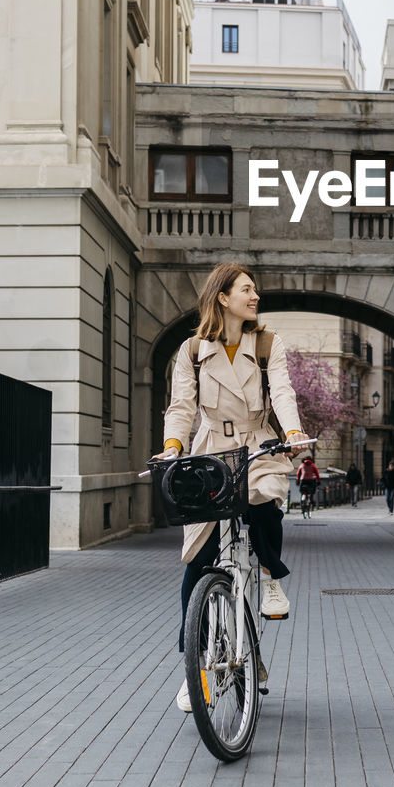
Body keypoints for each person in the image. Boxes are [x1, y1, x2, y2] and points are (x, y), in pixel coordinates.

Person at [157, 263, 306, 712]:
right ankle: (195, 669)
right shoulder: (192, 350)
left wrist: (295, 432)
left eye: (255, 289)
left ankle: (269, 575)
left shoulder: (266, 344)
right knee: (198, 560)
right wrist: (172, 445)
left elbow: (282, 392)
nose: (255, 295)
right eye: (246, 289)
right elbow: (181, 404)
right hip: (209, 451)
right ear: (222, 297)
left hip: (257, 441)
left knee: (264, 498)